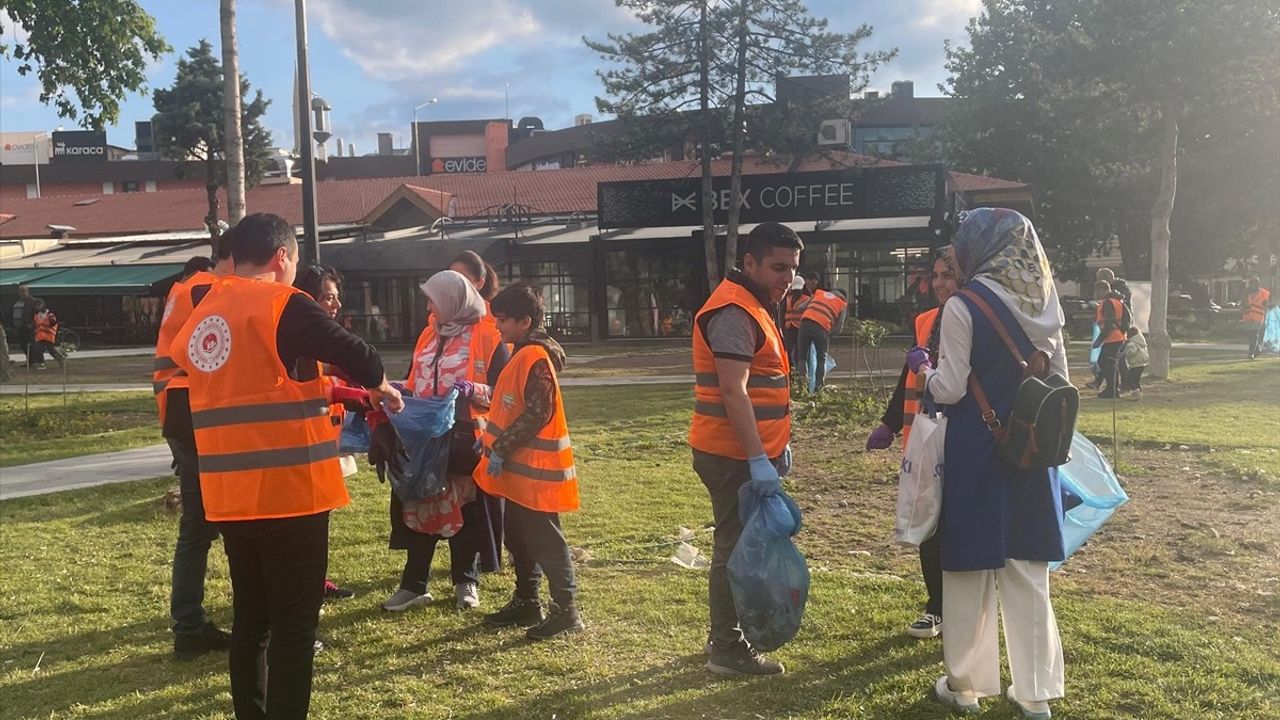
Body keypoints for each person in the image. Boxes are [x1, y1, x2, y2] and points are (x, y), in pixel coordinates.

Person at [171, 213, 403, 720]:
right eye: (296, 261)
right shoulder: (281, 304)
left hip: (231, 496)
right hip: (290, 493)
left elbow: (256, 387)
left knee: (251, 622)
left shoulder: (205, 313)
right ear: (282, 258)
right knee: (295, 626)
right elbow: (358, 354)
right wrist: (379, 386)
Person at [913, 208, 1065, 719]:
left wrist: (926, 374)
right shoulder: (1045, 302)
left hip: (977, 448)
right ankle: (1036, 694)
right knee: (1027, 567)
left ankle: (966, 686)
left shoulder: (963, 304)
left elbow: (951, 387)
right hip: (1030, 447)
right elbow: (1060, 376)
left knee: (968, 566)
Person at [689, 222, 800, 678]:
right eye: (778, 267)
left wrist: (777, 447)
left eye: (793, 268)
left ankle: (725, 637)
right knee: (733, 549)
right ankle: (727, 647)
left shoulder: (756, 304)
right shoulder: (736, 310)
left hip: (747, 453)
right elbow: (734, 392)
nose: (787, 277)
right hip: (733, 455)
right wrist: (758, 458)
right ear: (749, 262)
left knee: (736, 547)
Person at [382, 270, 510, 613]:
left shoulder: (487, 336)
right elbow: (415, 378)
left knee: (462, 507)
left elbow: (505, 391)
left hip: (464, 438)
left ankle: (465, 582)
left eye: (433, 299)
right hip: (423, 436)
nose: (429, 306)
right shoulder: (428, 334)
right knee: (420, 503)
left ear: (453, 301)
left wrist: (474, 390)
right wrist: (399, 390)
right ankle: (413, 585)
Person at [474, 283, 584, 641]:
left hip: (536, 472)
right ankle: (527, 600)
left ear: (525, 321)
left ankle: (565, 611)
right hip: (520, 471)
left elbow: (539, 412)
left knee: (545, 541)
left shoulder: (534, 357)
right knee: (520, 537)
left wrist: (502, 447)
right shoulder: (523, 352)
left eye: (503, 320)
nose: (497, 327)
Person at [866, 246, 961, 640]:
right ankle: (936, 607)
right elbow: (910, 377)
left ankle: (963, 606)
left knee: (958, 522)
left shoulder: (975, 317)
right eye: (935, 275)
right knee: (928, 518)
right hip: (925, 436)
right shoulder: (927, 321)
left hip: (963, 436)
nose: (939, 283)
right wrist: (889, 424)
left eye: (948, 275)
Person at [153, 252, 227, 660]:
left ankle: (189, 626)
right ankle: (196, 625)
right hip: (199, 415)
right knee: (220, 522)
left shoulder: (180, 291)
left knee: (196, 527)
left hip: (180, 415)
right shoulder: (206, 287)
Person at [295, 265, 359, 602]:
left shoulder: (321, 341)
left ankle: (317, 580)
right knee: (309, 523)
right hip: (302, 449)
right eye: (327, 298)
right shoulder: (302, 341)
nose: (335, 305)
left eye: (336, 298)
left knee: (319, 520)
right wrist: (349, 391)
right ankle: (310, 585)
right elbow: (313, 389)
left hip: (322, 444)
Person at [796, 286, 848, 392]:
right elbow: (839, 327)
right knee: (821, 359)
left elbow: (801, 307)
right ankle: (818, 389)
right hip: (822, 328)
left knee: (802, 358)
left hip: (805, 324)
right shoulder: (842, 304)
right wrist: (829, 335)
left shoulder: (819, 293)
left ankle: (802, 388)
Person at [1092, 280, 1128, 399]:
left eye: (1097, 291)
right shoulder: (1118, 301)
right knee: (1108, 363)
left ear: (1102, 289)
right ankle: (1112, 389)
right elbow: (1128, 318)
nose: (1096, 294)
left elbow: (1108, 321)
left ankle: (1112, 390)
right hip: (1117, 337)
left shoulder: (1108, 302)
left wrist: (1099, 339)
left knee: (1106, 363)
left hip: (1112, 338)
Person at [782, 272, 817, 366]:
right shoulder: (788, 297)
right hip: (789, 328)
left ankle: (798, 372)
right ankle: (790, 370)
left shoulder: (807, 298)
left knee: (800, 353)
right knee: (788, 351)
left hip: (801, 329)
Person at [30, 300, 65, 370]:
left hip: (49, 336)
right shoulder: (36, 315)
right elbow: (36, 324)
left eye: (39, 305)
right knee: (38, 350)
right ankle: (41, 363)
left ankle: (60, 359)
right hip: (40, 336)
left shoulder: (50, 314)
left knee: (51, 350)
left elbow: (53, 323)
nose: (37, 307)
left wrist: (51, 321)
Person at [1242, 277, 1271, 360]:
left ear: (1257, 285)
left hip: (1258, 317)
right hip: (1247, 317)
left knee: (1254, 335)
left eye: (1253, 284)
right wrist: (1244, 306)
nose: (1252, 286)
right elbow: (1242, 302)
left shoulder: (1263, 293)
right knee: (1250, 336)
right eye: (1251, 284)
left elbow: (1265, 303)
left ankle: (1250, 354)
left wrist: (1269, 305)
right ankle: (1257, 349)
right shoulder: (1246, 292)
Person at [12, 284, 40, 366]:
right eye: (20, 291)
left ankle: (33, 361)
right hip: (19, 327)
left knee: (31, 344)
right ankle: (29, 361)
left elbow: (39, 311)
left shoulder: (33, 301)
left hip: (28, 326)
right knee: (22, 344)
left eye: (23, 291)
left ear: (27, 291)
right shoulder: (17, 301)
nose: (21, 293)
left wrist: (32, 323)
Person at [1121, 326, 1148, 400]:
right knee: (1136, 379)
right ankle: (1138, 391)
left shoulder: (1132, 343)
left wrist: (1125, 353)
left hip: (1136, 364)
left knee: (1131, 379)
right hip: (1142, 363)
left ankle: (1136, 393)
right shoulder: (1141, 341)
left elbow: (1131, 352)